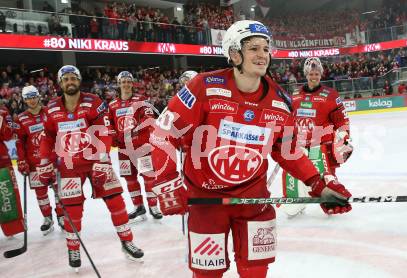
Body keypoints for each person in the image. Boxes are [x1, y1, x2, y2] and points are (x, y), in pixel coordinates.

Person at [149, 20, 352, 278]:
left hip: (254, 201)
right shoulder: (203, 86)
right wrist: (167, 182)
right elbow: (162, 134)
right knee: (206, 274)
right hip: (207, 202)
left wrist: (318, 184)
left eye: (266, 49)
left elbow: (288, 151)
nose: (262, 55)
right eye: (254, 48)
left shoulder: (280, 101)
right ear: (234, 53)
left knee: (256, 271)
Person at [36, 65, 144, 271]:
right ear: (60, 83)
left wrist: (102, 159)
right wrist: (43, 162)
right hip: (68, 166)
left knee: (116, 202)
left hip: (97, 161)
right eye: (65, 79)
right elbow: (47, 138)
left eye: (73, 78)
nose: (70, 82)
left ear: (79, 81)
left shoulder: (93, 102)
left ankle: (126, 241)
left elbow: (103, 132)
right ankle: (73, 247)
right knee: (72, 209)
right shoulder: (51, 107)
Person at [281, 57, 353, 217]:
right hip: (298, 145)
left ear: (321, 74)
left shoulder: (331, 95)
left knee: (324, 177)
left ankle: (331, 202)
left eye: (317, 73)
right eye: (311, 73)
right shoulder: (295, 94)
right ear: (306, 74)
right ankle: (295, 204)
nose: (314, 76)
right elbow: (288, 118)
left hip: (321, 146)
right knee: (292, 174)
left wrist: (344, 139)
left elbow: (342, 121)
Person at [108, 71, 162, 222]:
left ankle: (153, 206)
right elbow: (110, 124)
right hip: (124, 149)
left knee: (148, 176)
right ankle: (138, 206)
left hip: (142, 145)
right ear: (119, 84)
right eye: (123, 81)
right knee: (129, 178)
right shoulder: (112, 105)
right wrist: (113, 136)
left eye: (128, 81)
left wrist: (136, 129)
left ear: (132, 83)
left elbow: (149, 116)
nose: (125, 84)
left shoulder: (141, 99)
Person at [15, 85, 64, 235]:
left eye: (34, 96)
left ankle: (62, 216)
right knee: (41, 193)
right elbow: (19, 142)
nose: (32, 100)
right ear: (24, 100)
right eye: (28, 98)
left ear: (38, 96)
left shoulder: (49, 112)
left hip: (53, 159)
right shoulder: (21, 118)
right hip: (34, 163)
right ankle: (47, 218)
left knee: (58, 191)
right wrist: (22, 161)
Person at [0, 105, 25, 237]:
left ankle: (12, 229)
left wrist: (3, 123)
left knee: (6, 195)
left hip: (1, 161)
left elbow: (8, 136)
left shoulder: (3, 111)